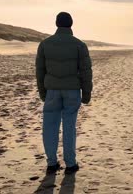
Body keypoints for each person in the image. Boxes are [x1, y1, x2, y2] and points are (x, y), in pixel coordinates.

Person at [36, 12, 93, 175]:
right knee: (69, 127)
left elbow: (40, 71)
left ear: (56, 24)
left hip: (52, 90)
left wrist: (42, 92)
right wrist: (86, 93)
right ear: (71, 24)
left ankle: (52, 163)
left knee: (49, 126)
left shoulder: (45, 44)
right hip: (72, 90)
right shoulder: (79, 45)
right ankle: (70, 164)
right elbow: (86, 71)